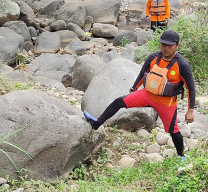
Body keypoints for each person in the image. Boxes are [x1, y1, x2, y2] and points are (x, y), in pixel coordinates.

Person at [83, 30, 195, 160]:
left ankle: (181, 156)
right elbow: (143, 73)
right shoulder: (153, 57)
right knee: (119, 102)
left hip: (166, 103)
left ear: (177, 46)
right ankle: (97, 123)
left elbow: (191, 88)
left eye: (169, 45)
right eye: (163, 44)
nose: (165, 47)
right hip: (146, 95)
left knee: (173, 130)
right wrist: (134, 89)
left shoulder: (182, 65)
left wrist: (190, 110)